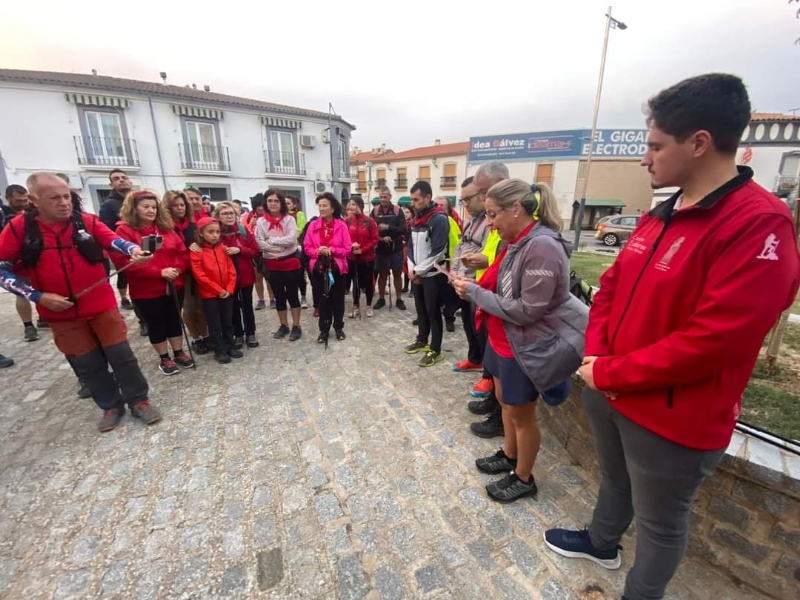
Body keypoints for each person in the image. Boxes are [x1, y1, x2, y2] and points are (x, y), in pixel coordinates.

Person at [542, 74, 800, 600]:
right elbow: (610, 286)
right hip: (609, 385)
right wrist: (597, 353)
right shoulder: (665, 211)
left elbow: (714, 342)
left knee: (660, 524)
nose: (645, 158)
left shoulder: (758, 225)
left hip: (672, 414)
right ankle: (602, 541)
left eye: (656, 145)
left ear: (699, 142)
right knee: (614, 481)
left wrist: (610, 371)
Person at [452, 179, 584, 502]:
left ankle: (524, 477)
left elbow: (528, 311)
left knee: (522, 415)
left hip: (524, 344)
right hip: (503, 338)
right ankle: (510, 456)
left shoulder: (542, 247)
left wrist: (475, 293)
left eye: (493, 214)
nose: (491, 223)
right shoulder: (516, 241)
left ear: (516, 208)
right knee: (505, 403)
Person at [0, 172, 160, 431]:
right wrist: (38, 297)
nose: (64, 202)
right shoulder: (18, 229)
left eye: (66, 196)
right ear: (34, 199)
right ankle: (110, 405)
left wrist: (134, 250)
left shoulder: (87, 221)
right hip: (60, 312)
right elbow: (2, 270)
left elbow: (115, 241)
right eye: (55, 198)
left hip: (100, 305)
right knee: (87, 363)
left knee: (123, 356)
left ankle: (139, 400)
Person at [114, 190, 193, 375]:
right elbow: (124, 262)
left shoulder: (166, 227)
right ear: (134, 208)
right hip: (147, 288)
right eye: (146, 207)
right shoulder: (124, 231)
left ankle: (179, 351)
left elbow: (182, 252)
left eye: (154, 207)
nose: (151, 211)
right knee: (156, 322)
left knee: (174, 318)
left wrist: (177, 269)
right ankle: (164, 357)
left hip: (174, 282)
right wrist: (159, 272)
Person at [467, 161, 510, 438]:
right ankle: (493, 402)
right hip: (487, 288)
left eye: (484, 191)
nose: (482, 198)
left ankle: (499, 416)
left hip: (499, 295)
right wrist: (481, 259)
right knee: (491, 357)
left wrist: (485, 259)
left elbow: (508, 255)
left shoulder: (513, 213)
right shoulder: (495, 215)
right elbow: (493, 250)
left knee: (502, 363)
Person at [404, 181, 449, 367]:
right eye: (412, 199)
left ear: (427, 198)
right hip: (417, 273)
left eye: (416, 199)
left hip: (433, 276)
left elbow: (438, 252)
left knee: (433, 313)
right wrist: (410, 267)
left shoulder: (439, 219)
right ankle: (422, 339)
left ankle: (435, 349)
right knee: (421, 310)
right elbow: (412, 247)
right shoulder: (416, 220)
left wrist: (417, 271)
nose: (413, 203)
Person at [450, 177, 491, 373]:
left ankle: (488, 372)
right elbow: (460, 247)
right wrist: (454, 272)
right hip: (463, 282)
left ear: (482, 195)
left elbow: (487, 253)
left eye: (468, 199)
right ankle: (474, 358)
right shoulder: (469, 221)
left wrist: (469, 278)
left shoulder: (490, 223)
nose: (465, 204)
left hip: (478, 283)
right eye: (463, 199)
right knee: (468, 323)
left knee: (482, 330)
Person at [164, 190, 211, 355]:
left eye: (182, 205)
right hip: (179, 272)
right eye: (175, 205)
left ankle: (206, 335)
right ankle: (195, 338)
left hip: (197, 270)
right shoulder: (165, 228)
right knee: (189, 308)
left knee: (201, 306)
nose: (180, 208)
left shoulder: (191, 225)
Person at [191, 217, 242, 364]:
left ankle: (230, 345)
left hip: (227, 292)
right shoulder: (197, 252)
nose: (215, 235)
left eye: (217, 232)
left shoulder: (222, 249)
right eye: (211, 232)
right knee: (214, 323)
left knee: (228, 321)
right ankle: (219, 349)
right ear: (201, 233)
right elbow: (199, 275)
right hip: (210, 294)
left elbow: (231, 270)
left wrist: (229, 288)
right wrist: (218, 290)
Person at [255, 189, 303, 341]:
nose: (273, 204)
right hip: (272, 265)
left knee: (292, 295)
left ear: (281, 203)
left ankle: (296, 326)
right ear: (266, 203)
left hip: (290, 262)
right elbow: (260, 243)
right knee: (279, 296)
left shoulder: (289, 219)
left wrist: (272, 241)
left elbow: (291, 240)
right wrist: (277, 247)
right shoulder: (261, 222)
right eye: (270, 201)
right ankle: (283, 325)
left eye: (276, 201)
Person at [304, 193, 351, 343]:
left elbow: (347, 248)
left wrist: (332, 250)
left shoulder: (341, 226)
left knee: (338, 300)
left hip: (338, 268)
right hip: (319, 268)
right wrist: (318, 251)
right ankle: (323, 330)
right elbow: (306, 247)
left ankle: (338, 327)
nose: (321, 208)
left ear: (333, 208)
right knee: (323, 300)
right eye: (320, 205)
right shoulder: (312, 225)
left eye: (325, 205)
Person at [215, 201, 260, 348]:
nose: (229, 216)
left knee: (247, 305)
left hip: (245, 274)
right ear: (218, 217)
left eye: (231, 213)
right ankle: (238, 334)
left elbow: (255, 250)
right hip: (226, 278)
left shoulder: (243, 231)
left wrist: (240, 250)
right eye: (225, 213)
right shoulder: (216, 234)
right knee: (232, 307)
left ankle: (250, 333)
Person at [2, 184, 40, 342]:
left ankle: (44, 318)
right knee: (21, 293)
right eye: (18, 200)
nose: (23, 202)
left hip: (34, 258)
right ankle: (28, 326)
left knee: (41, 287)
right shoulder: (3, 215)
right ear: (9, 198)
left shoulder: (32, 213)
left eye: (25, 199)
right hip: (14, 261)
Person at [98, 169, 137, 315]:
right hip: (121, 249)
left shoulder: (137, 201)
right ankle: (126, 300)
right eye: (116, 178)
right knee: (128, 279)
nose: (121, 180)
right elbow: (106, 232)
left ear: (130, 181)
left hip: (140, 245)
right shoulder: (108, 205)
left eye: (123, 177)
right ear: (111, 184)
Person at [370, 186, 407, 310]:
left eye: (385, 197)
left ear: (390, 197)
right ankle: (381, 299)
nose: (383, 199)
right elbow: (371, 229)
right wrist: (380, 238)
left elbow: (403, 229)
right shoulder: (374, 211)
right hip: (381, 248)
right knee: (382, 274)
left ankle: (399, 299)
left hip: (395, 248)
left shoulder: (398, 211)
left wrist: (388, 228)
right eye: (381, 197)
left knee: (397, 274)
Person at [345, 197, 379, 318]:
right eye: (349, 205)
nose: (350, 207)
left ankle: (369, 306)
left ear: (360, 205)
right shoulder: (347, 221)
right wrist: (351, 247)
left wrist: (362, 249)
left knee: (368, 283)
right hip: (352, 258)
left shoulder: (369, 221)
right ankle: (356, 306)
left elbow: (375, 239)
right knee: (355, 283)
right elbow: (343, 239)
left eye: (353, 205)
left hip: (367, 258)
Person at [434, 196, 462, 333]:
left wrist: (454, 264)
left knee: (449, 294)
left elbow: (456, 244)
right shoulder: (431, 222)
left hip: (448, 264)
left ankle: (449, 318)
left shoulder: (451, 222)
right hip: (434, 265)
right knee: (436, 294)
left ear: (447, 208)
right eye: (437, 205)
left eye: (442, 205)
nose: (439, 207)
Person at [242, 194, 270, 310]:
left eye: (262, 205)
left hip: (267, 250)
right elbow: (243, 234)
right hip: (254, 252)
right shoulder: (247, 217)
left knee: (269, 277)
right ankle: (261, 299)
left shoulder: (270, 217)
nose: (260, 208)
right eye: (258, 206)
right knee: (257, 277)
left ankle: (273, 299)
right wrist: (251, 225)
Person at [287, 196, 309, 309]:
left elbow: (301, 228)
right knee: (290, 277)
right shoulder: (281, 217)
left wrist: (290, 236)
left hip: (297, 247)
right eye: (284, 203)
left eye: (288, 203)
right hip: (285, 250)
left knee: (300, 275)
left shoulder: (299, 214)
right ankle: (292, 298)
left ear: (294, 204)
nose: (286, 205)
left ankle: (304, 297)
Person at [401, 206, 414, 293]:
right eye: (405, 212)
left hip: (411, 247)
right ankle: (405, 286)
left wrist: (405, 241)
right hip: (405, 247)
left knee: (412, 268)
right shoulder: (405, 224)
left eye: (408, 212)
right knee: (405, 268)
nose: (405, 214)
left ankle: (413, 289)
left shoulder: (414, 224)